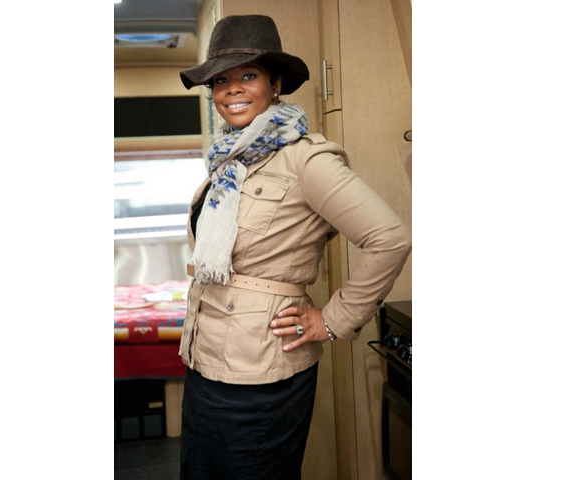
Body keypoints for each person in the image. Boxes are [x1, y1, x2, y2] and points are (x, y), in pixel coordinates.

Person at [178, 14, 411, 480]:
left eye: (248, 75)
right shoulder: (229, 160)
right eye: (220, 80)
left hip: (261, 369)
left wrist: (332, 319)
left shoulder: (306, 159)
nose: (232, 89)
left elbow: (389, 238)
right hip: (204, 362)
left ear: (276, 84)